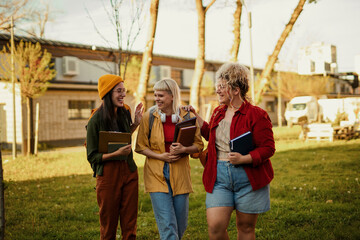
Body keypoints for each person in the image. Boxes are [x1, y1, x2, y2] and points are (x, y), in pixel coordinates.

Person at [184, 63, 275, 240]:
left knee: (245, 228)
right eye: (217, 87)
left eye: (222, 87)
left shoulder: (257, 115)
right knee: (215, 228)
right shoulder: (218, 112)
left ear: (235, 89)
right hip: (219, 177)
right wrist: (196, 117)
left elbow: (268, 148)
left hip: (248, 178)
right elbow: (212, 135)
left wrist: (245, 159)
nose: (217, 91)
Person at [135, 78, 204, 240]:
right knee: (167, 226)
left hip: (180, 174)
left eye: (161, 95)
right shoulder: (149, 116)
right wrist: (160, 156)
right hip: (156, 174)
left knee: (180, 225)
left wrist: (184, 149)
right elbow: (140, 146)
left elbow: (199, 145)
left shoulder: (187, 116)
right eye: (155, 95)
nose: (156, 99)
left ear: (172, 96)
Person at [86, 74, 144, 240]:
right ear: (107, 93)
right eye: (119, 91)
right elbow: (92, 156)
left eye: (124, 91)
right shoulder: (95, 120)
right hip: (108, 176)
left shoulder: (125, 112)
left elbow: (123, 138)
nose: (123, 95)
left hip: (129, 171)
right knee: (109, 225)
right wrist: (115, 155)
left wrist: (135, 124)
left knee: (130, 223)